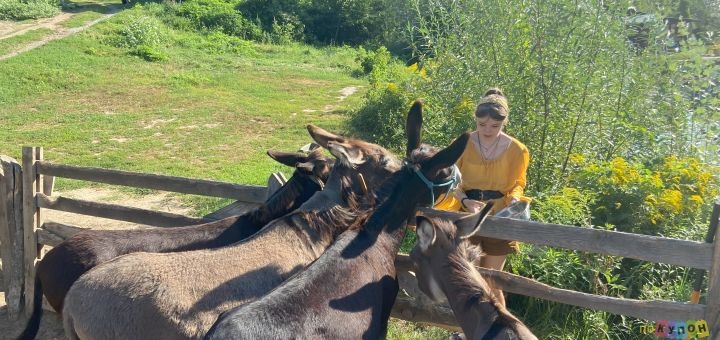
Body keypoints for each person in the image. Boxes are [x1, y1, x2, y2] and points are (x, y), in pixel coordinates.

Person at [435, 87, 530, 309]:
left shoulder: (518, 149)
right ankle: (468, 332)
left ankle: (499, 331)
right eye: (482, 124)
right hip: (468, 217)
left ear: (504, 122)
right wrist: (465, 201)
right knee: (471, 278)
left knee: (493, 281)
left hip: (499, 217)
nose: (487, 130)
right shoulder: (462, 144)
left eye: (494, 126)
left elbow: (518, 183)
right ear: (475, 120)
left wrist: (514, 199)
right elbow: (451, 181)